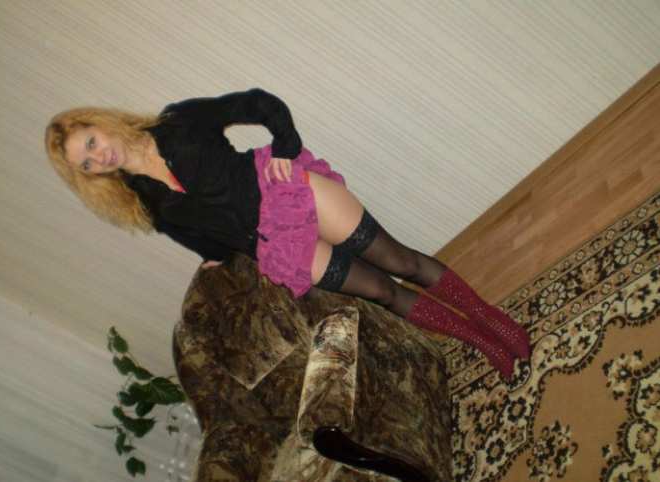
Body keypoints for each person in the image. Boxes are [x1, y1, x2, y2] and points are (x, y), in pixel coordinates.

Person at [44, 88, 530, 380]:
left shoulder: (178, 122)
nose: (98, 157)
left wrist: (285, 144)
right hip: (273, 244)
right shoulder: (143, 201)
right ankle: (479, 340)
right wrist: (216, 257)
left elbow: (257, 103)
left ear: (101, 124)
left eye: (92, 142)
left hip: (286, 194)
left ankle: (492, 320)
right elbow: (199, 237)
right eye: (86, 164)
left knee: (401, 262)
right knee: (382, 292)